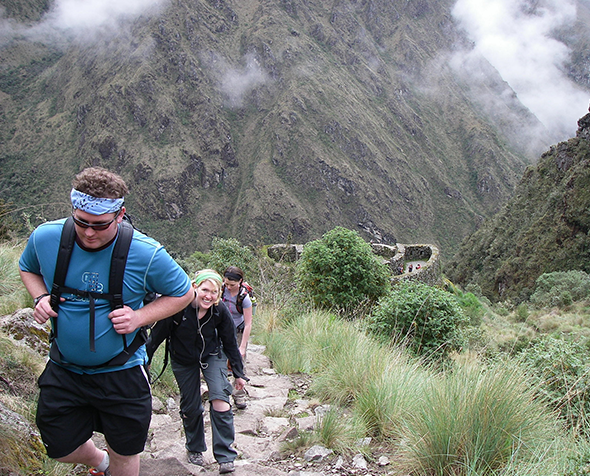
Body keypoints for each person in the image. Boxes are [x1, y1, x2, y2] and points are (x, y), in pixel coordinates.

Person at [18, 167, 194, 476]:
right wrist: (40, 297)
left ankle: (113, 464)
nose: (88, 233)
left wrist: (139, 317)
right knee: (58, 446)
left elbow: (183, 293)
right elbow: (27, 267)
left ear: (120, 214)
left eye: (99, 225)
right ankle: (100, 463)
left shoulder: (146, 252)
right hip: (64, 369)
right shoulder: (46, 237)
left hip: (122, 372)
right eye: (81, 222)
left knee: (125, 452)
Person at [147, 269, 246, 474]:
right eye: (205, 290)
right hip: (183, 359)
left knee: (220, 399)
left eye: (214, 292)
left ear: (219, 294)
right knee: (191, 407)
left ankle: (225, 456)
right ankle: (195, 448)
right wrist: (143, 363)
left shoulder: (219, 311)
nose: (208, 296)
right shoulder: (177, 308)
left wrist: (239, 373)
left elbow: (229, 342)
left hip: (212, 355)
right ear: (195, 287)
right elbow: (155, 337)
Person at [221, 266, 253, 409]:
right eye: (226, 283)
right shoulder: (221, 291)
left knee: (239, 363)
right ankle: (221, 395)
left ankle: (239, 397)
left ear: (240, 282)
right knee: (220, 362)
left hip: (238, 331)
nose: (228, 287)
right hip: (221, 330)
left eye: (232, 285)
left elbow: (248, 324)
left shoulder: (244, 298)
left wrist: (242, 346)